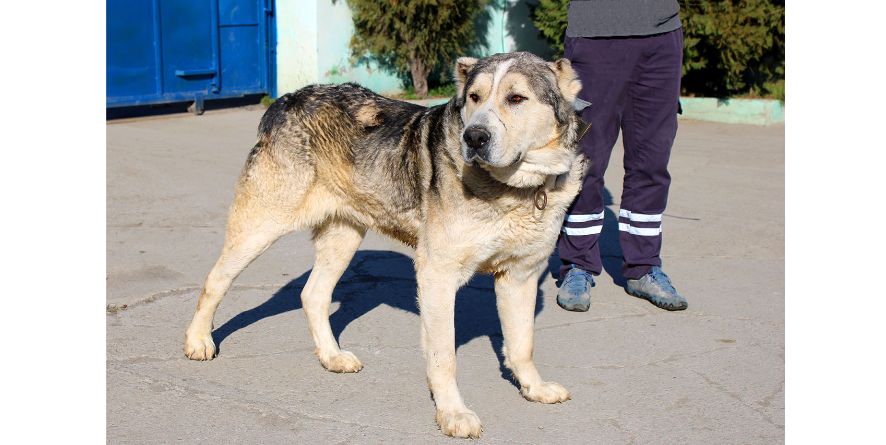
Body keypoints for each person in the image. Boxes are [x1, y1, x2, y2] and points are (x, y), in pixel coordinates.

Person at [556, 0, 688, 312]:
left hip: (660, 36)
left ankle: (643, 267)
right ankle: (577, 265)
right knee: (584, 160)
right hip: (593, 38)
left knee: (652, 161)